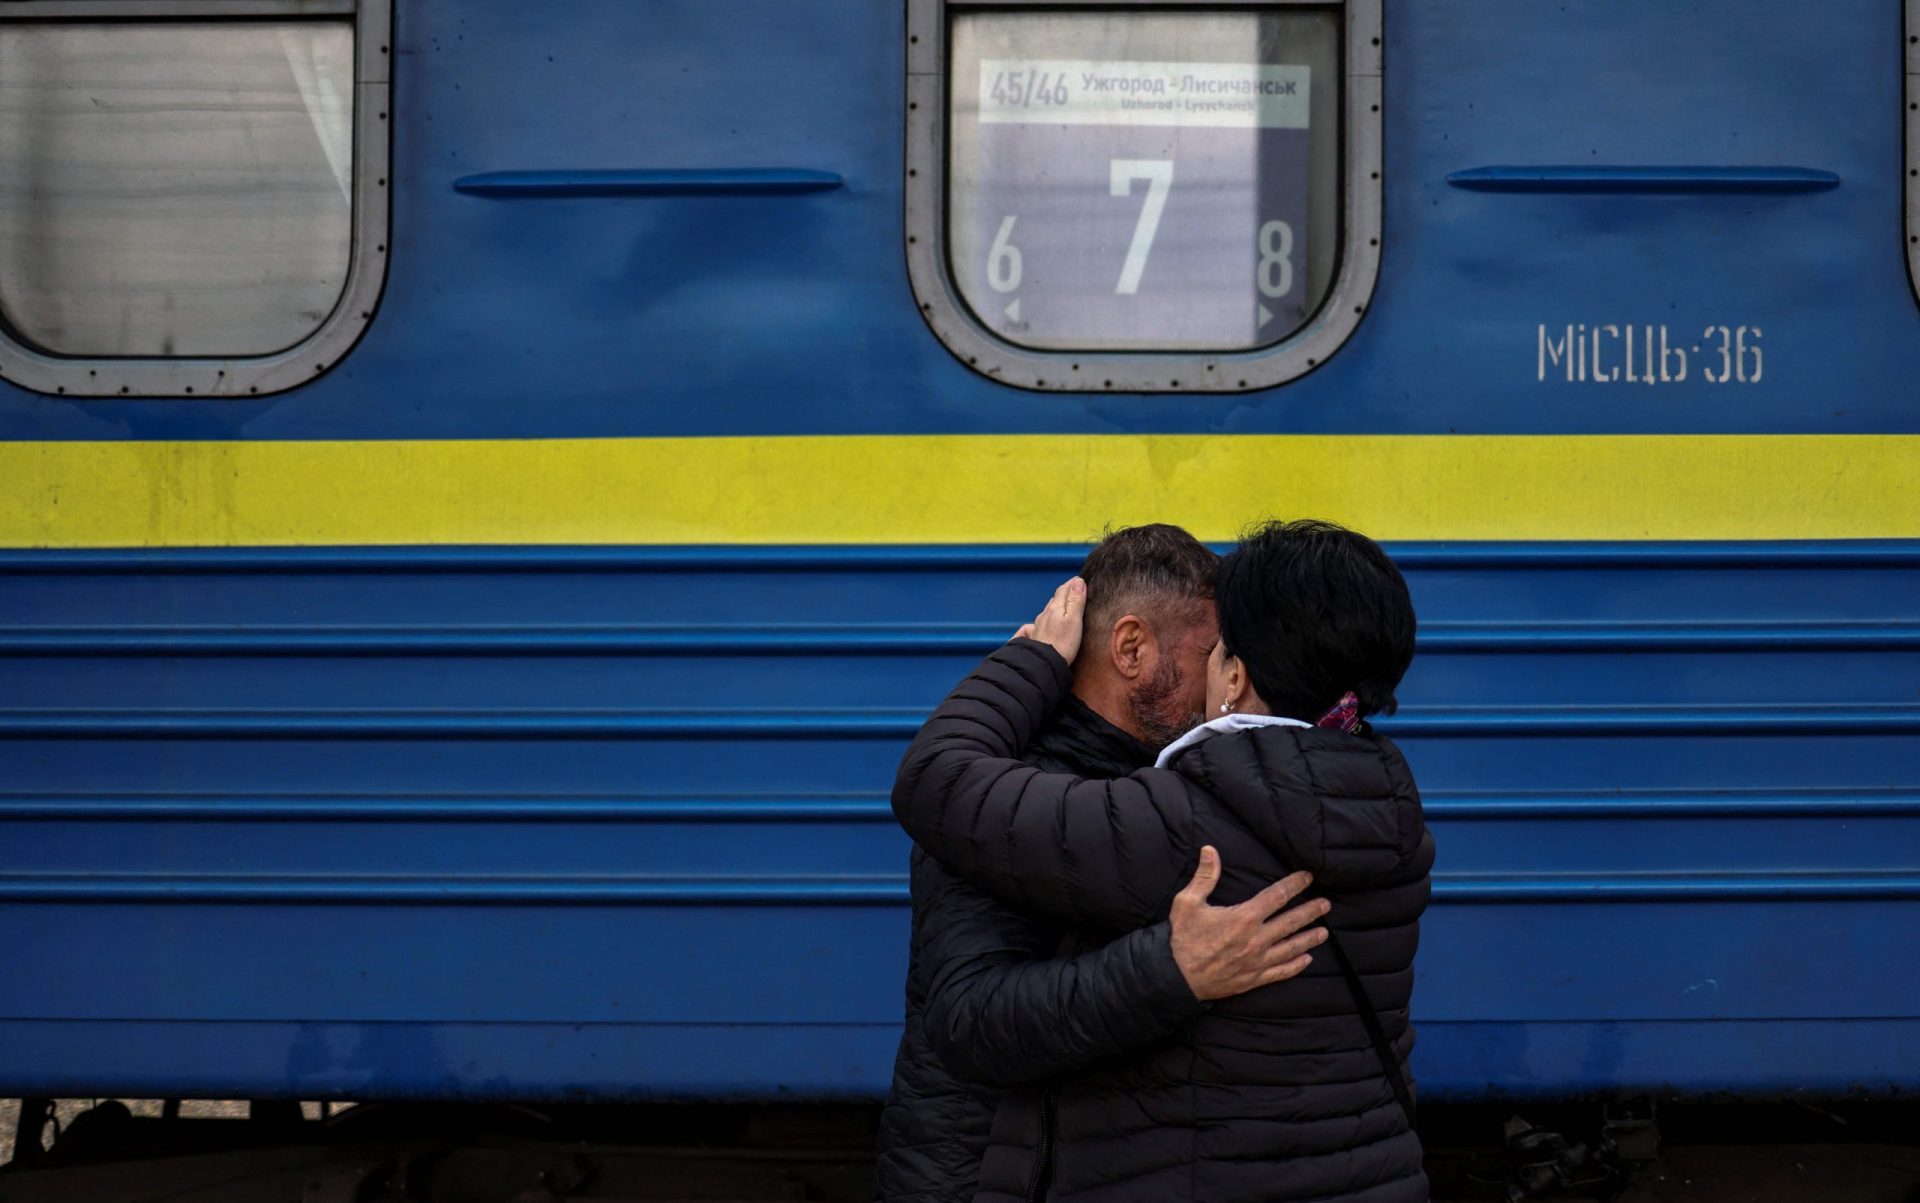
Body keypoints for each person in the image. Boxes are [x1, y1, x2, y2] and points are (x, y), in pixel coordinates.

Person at [893, 519, 1433, 1203]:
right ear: (1129, 648)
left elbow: (935, 777)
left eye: (1221, 652)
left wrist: (1022, 663)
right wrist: (1170, 968)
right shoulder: (1392, 809)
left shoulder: (1178, 806)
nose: (1215, 669)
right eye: (1208, 649)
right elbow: (972, 1020)